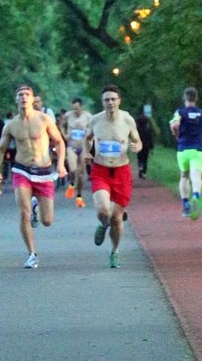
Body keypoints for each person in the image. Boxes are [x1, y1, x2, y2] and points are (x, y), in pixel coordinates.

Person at [0, 85, 67, 269]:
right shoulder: (11, 125)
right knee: (23, 212)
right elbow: (1, 149)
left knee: (47, 221)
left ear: (33, 99)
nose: (24, 97)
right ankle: (32, 254)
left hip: (43, 171)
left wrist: (60, 163)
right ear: (16, 99)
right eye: (20, 95)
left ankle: (36, 206)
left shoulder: (44, 119)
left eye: (27, 94)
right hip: (22, 170)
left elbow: (59, 142)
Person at [83, 85, 142, 269]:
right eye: (106, 100)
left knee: (116, 218)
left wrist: (137, 147)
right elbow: (87, 139)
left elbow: (137, 141)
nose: (110, 103)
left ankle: (114, 252)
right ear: (102, 102)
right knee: (103, 211)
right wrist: (87, 152)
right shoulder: (95, 120)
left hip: (121, 172)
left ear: (119, 101)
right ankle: (103, 224)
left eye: (113, 99)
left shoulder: (127, 120)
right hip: (100, 170)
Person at [169, 87, 202, 219]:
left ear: (184, 98)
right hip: (198, 150)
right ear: (196, 98)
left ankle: (186, 204)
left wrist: (176, 134)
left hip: (183, 149)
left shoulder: (180, 112)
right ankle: (196, 196)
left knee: (184, 176)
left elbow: (174, 125)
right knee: (196, 176)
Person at [62, 97, 91, 206]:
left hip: (83, 147)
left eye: (77, 109)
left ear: (81, 107)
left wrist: (89, 137)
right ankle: (71, 184)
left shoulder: (88, 116)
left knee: (81, 174)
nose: (76, 111)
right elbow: (61, 125)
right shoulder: (68, 116)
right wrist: (64, 135)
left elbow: (93, 129)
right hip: (72, 146)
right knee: (73, 170)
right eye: (74, 109)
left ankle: (79, 196)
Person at [135, 106, 155, 179]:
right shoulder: (148, 130)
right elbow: (151, 139)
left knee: (139, 157)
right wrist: (152, 148)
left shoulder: (137, 129)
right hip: (146, 146)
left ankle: (140, 167)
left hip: (138, 145)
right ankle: (143, 171)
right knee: (145, 158)